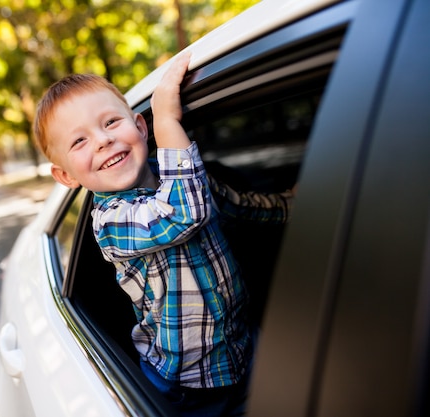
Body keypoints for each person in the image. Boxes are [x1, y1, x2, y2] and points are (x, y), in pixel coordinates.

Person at [33, 53, 294, 416]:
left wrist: (288, 205)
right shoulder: (110, 222)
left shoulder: (179, 176)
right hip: (186, 386)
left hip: (243, 348)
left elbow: (235, 204)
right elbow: (184, 213)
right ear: (66, 177)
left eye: (111, 121)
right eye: (79, 142)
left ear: (139, 127)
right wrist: (167, 120)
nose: (103, 140)